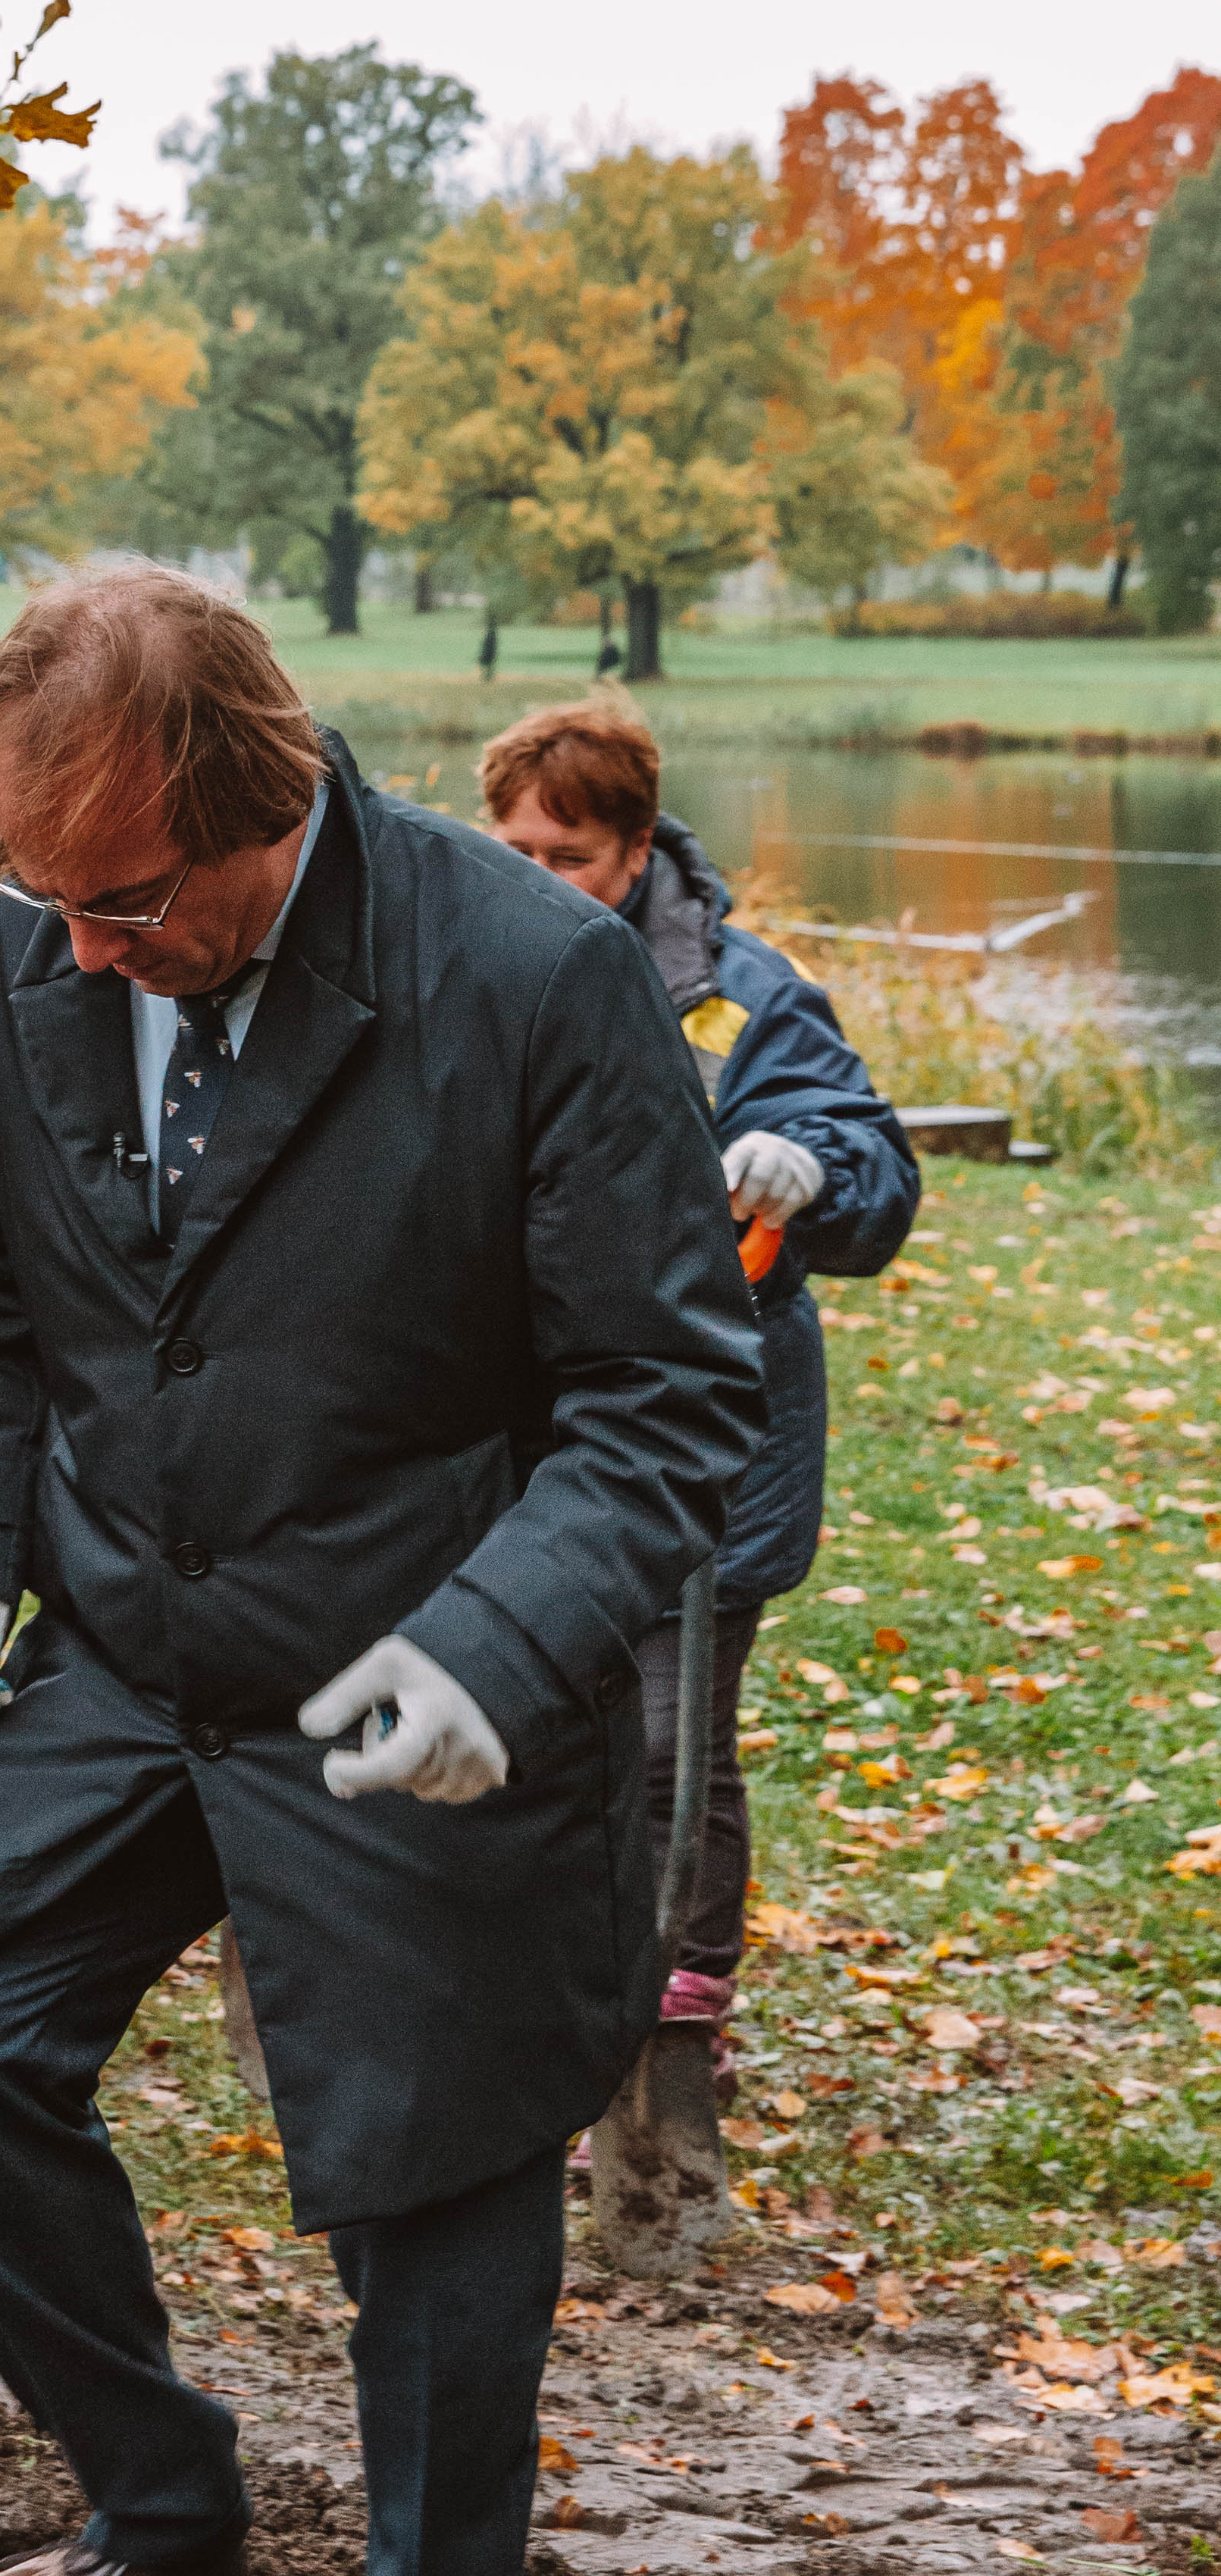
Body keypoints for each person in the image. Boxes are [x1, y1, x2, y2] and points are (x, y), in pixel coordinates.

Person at [0, 563, 762, 2576]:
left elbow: (669, 1405)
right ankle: (162, 2535)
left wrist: (499, 1641)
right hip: (129, 1650)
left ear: (276, 809)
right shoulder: (23, 950)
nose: (82, 956)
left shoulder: (535, 979)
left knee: (436, 2201)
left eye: (128, 903)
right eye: (45, 907)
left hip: (423, 1682)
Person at [479, 690, 919, 2077]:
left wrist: (811, 1166)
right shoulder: (472, 965)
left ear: (635, 848)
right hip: (528, 1427)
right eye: (514, 848)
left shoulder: (743, 995)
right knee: (534, 1721)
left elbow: (871, 1169)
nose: (536, 879)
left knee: (674, 1737)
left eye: (567, 858)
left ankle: (679, 2007)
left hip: (714, 1431)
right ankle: (545, 1981)